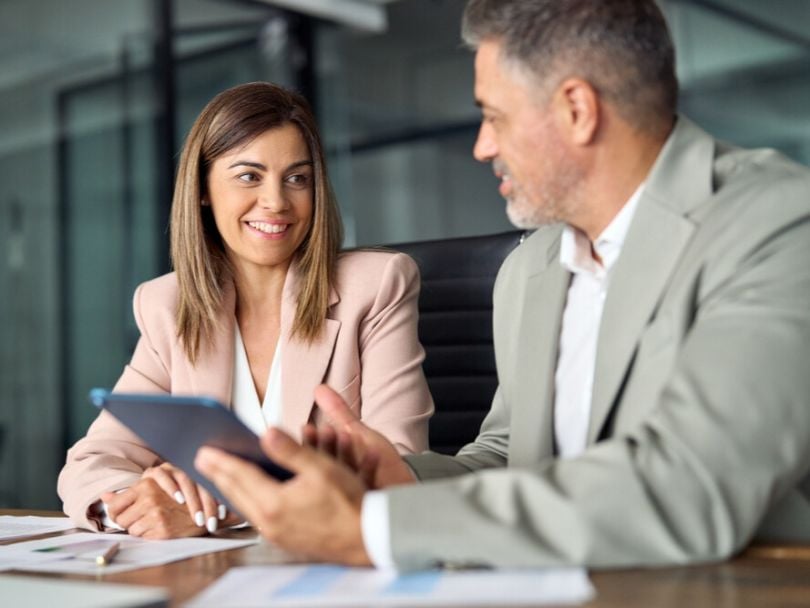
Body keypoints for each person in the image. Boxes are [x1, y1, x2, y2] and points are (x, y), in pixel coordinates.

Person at [196, 0, 810, 570]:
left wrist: (379, 525)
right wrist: (403, 479)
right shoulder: (532, 267)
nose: (482, 146)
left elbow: (690, 486)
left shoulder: (776, 223)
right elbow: (510, 456)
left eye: (494, 117)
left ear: (577, 109)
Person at [57, 82, 434, 539]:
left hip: (333, 559)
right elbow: (92, 462)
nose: (276, 201)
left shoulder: (375, 286)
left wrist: (212, 509)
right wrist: (140, 504)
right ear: (202, 190)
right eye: (249, 176)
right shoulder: (167, 307)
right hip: (210, 570)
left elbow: (397, 466)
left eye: (297, 178)